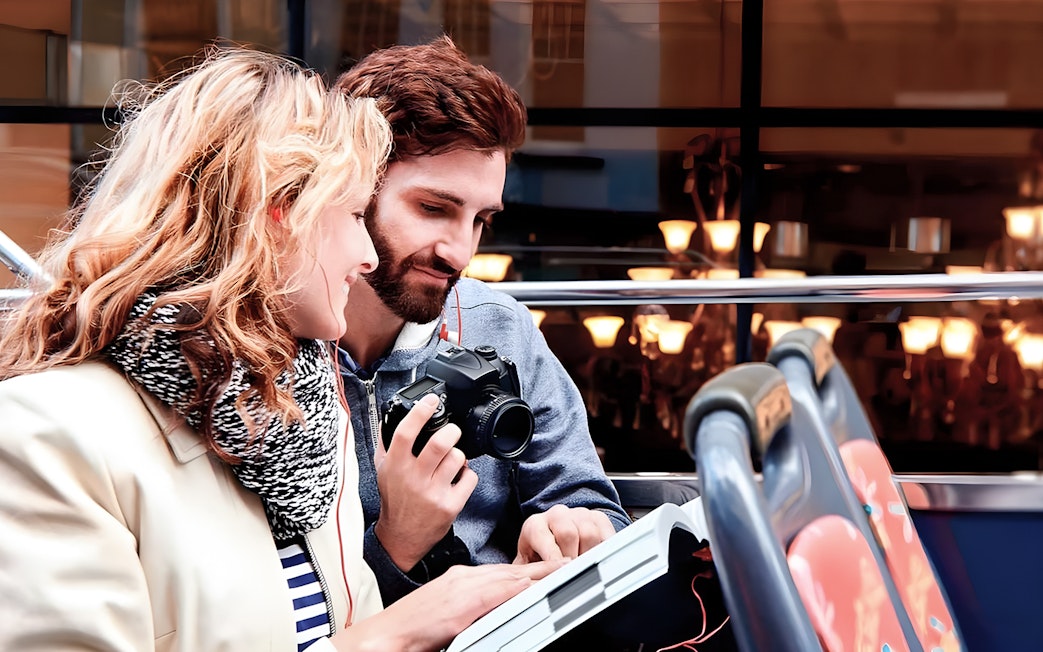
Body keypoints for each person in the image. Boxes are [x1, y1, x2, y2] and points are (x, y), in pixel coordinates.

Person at [0, 47, 561, 652]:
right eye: (351, 213)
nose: (366, 253)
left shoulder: (307, 414)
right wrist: (398, 629)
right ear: (276, 216)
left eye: (481, 221)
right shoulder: (44, 433)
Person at [332, 35, 632, 606]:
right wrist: (397, 545)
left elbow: (593, 505)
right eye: (434, 208)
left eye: (480, 221)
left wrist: (578, 531)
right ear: (350, 189)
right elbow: (284, 616)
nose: (460, 253)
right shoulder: (271, 349)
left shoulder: (500, 327)